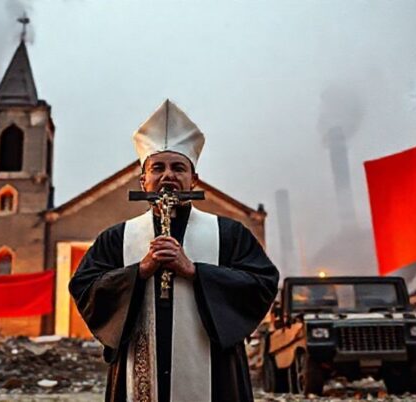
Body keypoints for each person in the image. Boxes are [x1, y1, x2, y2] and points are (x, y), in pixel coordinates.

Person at [69, 99, 279, 402]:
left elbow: (262, 284)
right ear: (144, 181)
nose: (168, 175)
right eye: (158, 168)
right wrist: (139, 272)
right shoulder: (117, 239)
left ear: (194, 179)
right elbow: (85, 287)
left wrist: (195, 272)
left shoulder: (230, 234)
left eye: (178, 167)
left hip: (213, 375)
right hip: (137, 372)